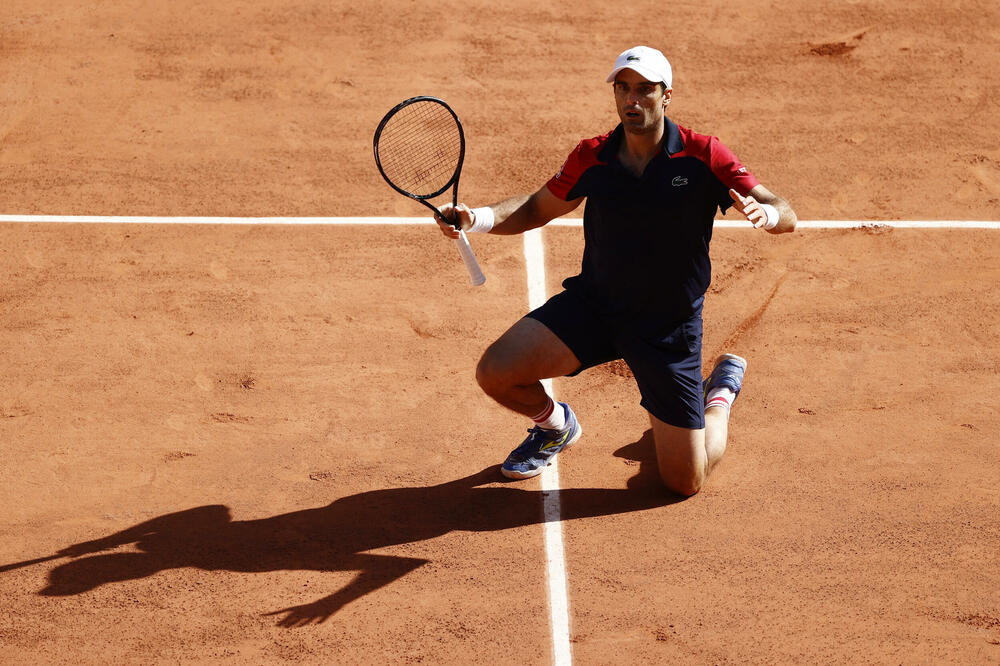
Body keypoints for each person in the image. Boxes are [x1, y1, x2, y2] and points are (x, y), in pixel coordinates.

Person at [436, 45, 797, 495]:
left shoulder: (703, 154)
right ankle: (555, 426)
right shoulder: (594, 156)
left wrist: (770, 217)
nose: (632, 99)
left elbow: (783, 208)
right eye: (623, 88)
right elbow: (535, 208)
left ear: (667, 96)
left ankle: (719, 396)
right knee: (496, 371)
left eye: (645, 89)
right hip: (597, 308)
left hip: (668, 328)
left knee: (685, 481)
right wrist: (477, 218)